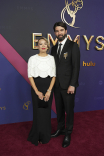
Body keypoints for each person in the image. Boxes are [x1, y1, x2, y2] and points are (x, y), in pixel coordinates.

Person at [51, 22, 80, 148]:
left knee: (69, 110)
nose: (59, 33)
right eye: (57, 31)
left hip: (68, 85)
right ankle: (60, 129)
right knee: (59, 109)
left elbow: (76, 67)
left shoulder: (73, 46)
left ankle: (68, 133)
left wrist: (72, 84)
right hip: (56, 86)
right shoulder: (53, 47)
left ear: (66, 31)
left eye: (61, 30)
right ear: (55, 33)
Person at [27, 37, 56, 146]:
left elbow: (54, 76)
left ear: (48, 46)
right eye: (40, 44)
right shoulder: (32, 59)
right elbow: (30, 76)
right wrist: (37, 91)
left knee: (46, 112)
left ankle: (45, 135)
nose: (43, 45)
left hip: (48, 87)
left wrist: (49, 91)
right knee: (38, 112)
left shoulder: (52, 58)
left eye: (45, 44)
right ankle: (37, 136)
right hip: (36, 87)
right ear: (37, 46)